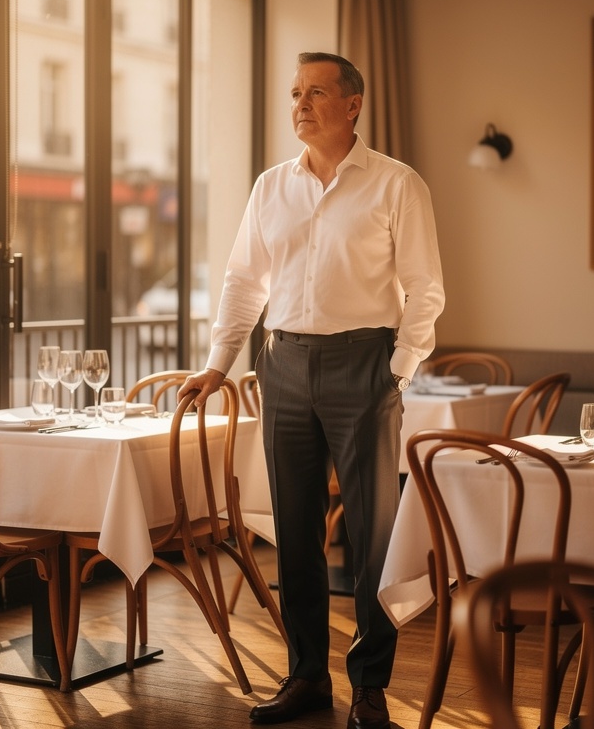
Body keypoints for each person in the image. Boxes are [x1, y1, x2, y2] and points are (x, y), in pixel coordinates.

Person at [178, 52, 445, 729]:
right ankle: (305, 678)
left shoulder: (397, 183)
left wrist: (398, 368)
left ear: (353, 105)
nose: (300, 104)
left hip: (366, 366)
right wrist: (218, 363)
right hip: (284, 366)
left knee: (372, 536)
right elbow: (244, 282)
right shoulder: (271, 186)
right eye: (295, 92)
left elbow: (426, 287)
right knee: (295, 536)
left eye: (316, 92)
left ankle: (370, 688)